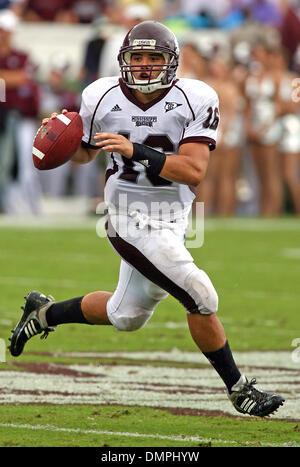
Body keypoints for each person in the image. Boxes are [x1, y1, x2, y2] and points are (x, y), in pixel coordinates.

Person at [9, 20, 285, 417]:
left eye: (153, 57)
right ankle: (240, 389)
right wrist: (60, 138)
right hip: (125, 215)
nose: (143, 65)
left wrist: (134, 149)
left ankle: (44, 313)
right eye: (136, 57)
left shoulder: (196, 97)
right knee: (201, 295)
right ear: (124, 60)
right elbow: (87, 153)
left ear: (171, 62)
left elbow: (193, 170)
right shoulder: (100, 95)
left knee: (127, 315)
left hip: (173, 216)